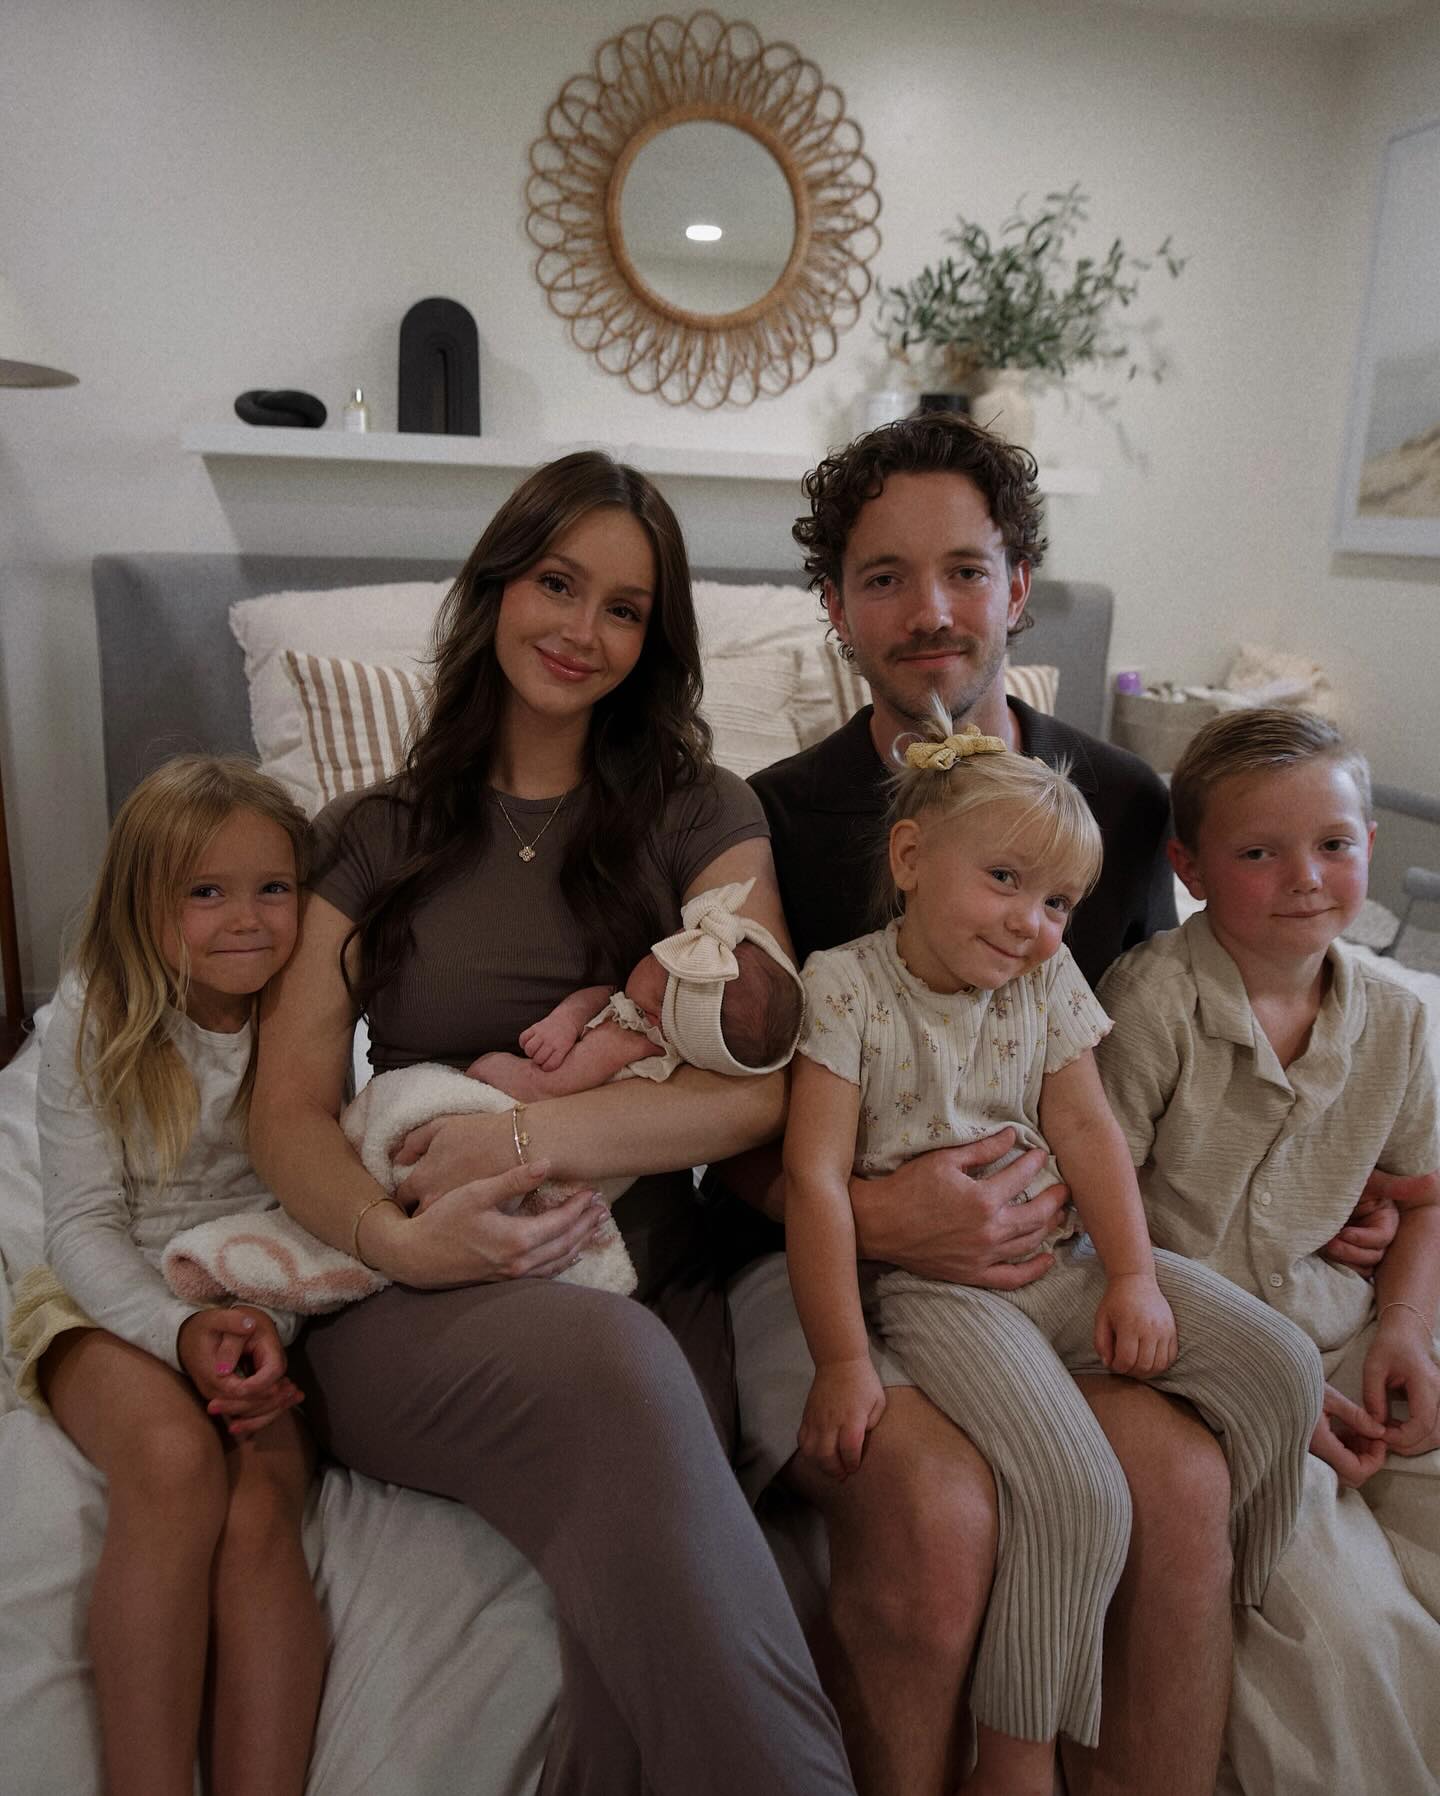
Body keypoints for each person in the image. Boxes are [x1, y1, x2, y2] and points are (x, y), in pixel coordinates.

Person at [248, 451, 855, 1795]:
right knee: (630, 1403)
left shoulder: (705, 813)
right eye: (557, 584)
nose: (582, 630)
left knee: (644, 1593)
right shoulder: (372, 830)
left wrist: (528, 1139)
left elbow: (757, 1082)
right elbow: (286, 1110)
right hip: (418, 1287)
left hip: (651, 1269)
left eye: (625, 608)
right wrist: (400, 1247)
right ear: (499, 586)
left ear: (656, 640)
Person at [713, 412, 1245, 1796]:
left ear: (1019, 585)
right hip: (829, 1267)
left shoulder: (1119, 800)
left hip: (1051, 1263)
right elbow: (715, 1141)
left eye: (966, 569)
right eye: (883, 576)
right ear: (832, 608)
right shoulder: (765, 819)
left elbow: (1144, 1066)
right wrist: (879, 1217)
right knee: (943, 1514)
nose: (931, 610)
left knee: (1182, 1487)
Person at [784, 708, 1320, 1796]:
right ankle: (1018, 1752)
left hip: (1066, 1263)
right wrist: (842, 1360)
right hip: (945, 1295)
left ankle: (1256, 1592)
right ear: (910, 856)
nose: (1033, 922)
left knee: (1283, 1365)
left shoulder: (1043, 981)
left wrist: (1130, 1274)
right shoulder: (844, 987)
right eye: (1005, 880)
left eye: (1060, 901)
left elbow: (1087, 1134)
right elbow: (812, 1184)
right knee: (1078, 1490)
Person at [1096, 707, 1440, 1796]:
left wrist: (1402, 1328)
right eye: (1259, 851)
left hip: (1349, 1332)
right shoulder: (1153, 1003)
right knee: (1339, 1633)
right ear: (1188, 865)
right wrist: (1278, 1387)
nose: (1306, 877)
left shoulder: (1397, 1016)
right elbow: (1097, 1227)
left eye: (1334, 844)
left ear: (1370, 847)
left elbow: (1426, 1194)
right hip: (1210, 1365)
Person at [5, 755, 324, 1796]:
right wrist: (173, 1328)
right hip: (111, 1290)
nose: (247, 918)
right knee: (175, 1459)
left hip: (257, 1290)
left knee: (261, 1501)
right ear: (144, 900)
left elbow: (315, 1188)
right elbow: (84, 1225)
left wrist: (258, 1318)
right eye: (205, 891)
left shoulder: (307, 1004)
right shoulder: (96, 1013)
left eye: (273, 887)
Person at [470, 880, 804, 1101]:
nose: (653, 948)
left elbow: (546, 1087)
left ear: (660, 1012)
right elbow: (605, 994)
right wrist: (565, 1020)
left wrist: (489, 1065)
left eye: (657, 958)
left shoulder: (628, 1042)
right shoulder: (639, 1016)